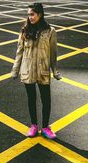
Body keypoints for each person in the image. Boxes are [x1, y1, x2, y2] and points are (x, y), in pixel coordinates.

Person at [11, 2, 62, 139]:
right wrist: (15, 70)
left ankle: (45, 127)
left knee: (46, 99)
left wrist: (55, 71)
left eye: (32, 14)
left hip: (43, 70)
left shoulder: (50, 31)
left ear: (40, 14)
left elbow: (53, 53)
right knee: (31, 99)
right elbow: (19, 52)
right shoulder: (25, 30)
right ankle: (33, 126)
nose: (30, 17)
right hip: (27, 70)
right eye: (28, 15)